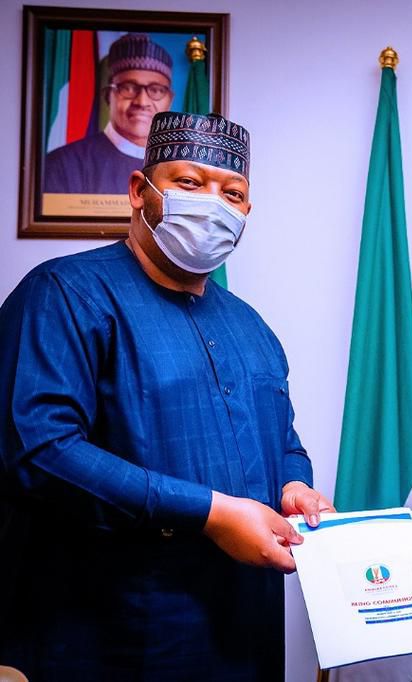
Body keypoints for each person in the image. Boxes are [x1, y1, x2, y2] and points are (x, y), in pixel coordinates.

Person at [0, 111, 333, 680]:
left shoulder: (252, 327)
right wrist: (211, 512)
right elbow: (39, 451)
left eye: (232, 193)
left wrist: (294, 483)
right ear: (139, 190)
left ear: (246, 212)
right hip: (111, 637)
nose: (213, 203)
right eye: (189, 183)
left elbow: (281, 438)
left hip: (243, 638)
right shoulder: (64, 294)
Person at [43, 33, 175, 194]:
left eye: (156, 90)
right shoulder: (60, 165)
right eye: (128, 88)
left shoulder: (182, 170)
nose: (141, 102)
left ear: (169, 100)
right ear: (108, 96)